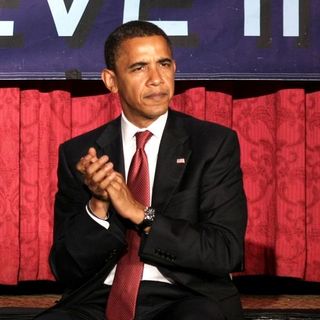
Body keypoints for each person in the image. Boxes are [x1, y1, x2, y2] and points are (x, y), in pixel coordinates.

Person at [35, 20, 247, 320]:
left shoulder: (211, 144)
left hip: (186, 296)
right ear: (111, 80)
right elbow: (66, 268)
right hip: (99, 297)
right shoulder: (82, 154)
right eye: (139, 68)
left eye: (163, 64)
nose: (156, 79)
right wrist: (98, 206)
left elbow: (224, 251)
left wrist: (139, 213)